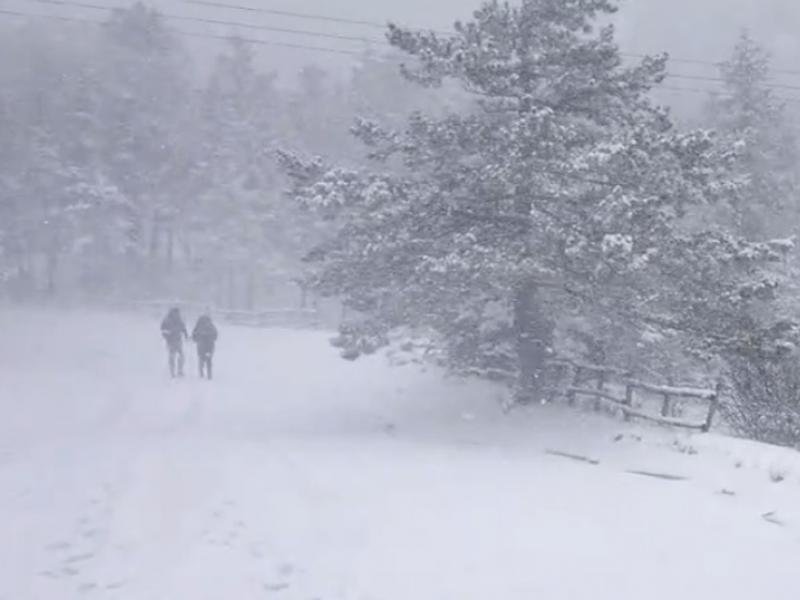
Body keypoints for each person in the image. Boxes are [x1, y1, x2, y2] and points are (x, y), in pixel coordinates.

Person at [161, 307, 188, 378]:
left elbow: (162, 329)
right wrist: (186, 336)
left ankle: (173, 372)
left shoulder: (167, 319)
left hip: (171, 340)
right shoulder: (178, 319)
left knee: (172, 356)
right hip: (176, 340)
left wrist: (165, 335)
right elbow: (184, 329)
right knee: (180, 356)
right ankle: (179, 370)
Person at [192, 314, 218, 380]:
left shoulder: (198, 326)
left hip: (201, 345)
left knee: (201, 359)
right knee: (209, 359)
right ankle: (209, 375)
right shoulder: (211, 326)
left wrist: (196, 339)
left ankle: (201, 373)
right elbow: (215, 335)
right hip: (210, 345)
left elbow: (194, 335)